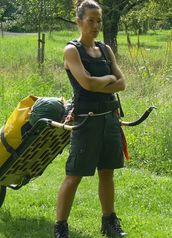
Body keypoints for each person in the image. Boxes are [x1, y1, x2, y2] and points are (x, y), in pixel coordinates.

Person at [54, 1, 127, 237]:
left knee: (107, 172)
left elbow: (122, 83)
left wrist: (99, 82)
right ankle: (60, 227)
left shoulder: (105, 50)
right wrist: (108, 79)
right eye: (91, 20)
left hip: (110, 119)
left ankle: (109, 221)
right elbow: (85, 83)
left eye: (99, 20)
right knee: (74, 174)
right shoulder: (71, 51)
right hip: (86, 121)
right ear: (79, 21)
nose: (96, 25)